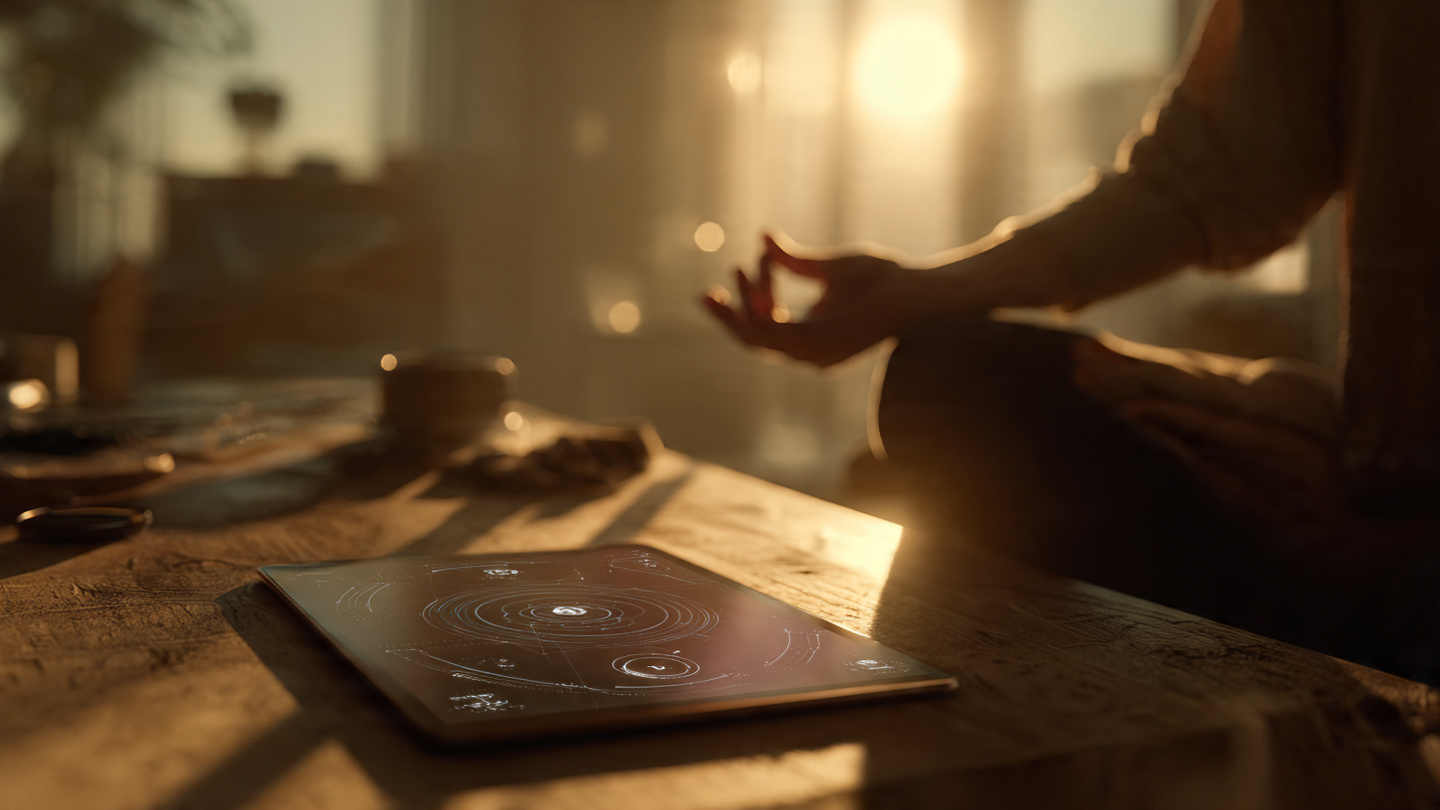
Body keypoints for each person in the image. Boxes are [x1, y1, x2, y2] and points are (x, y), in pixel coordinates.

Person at [701, 0, 1440, 678]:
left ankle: (1363, 622)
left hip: (1407, 527)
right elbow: (1209, 171)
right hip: (1372, 471)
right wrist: (917, 295)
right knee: (953, 384)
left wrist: (1404, 543)